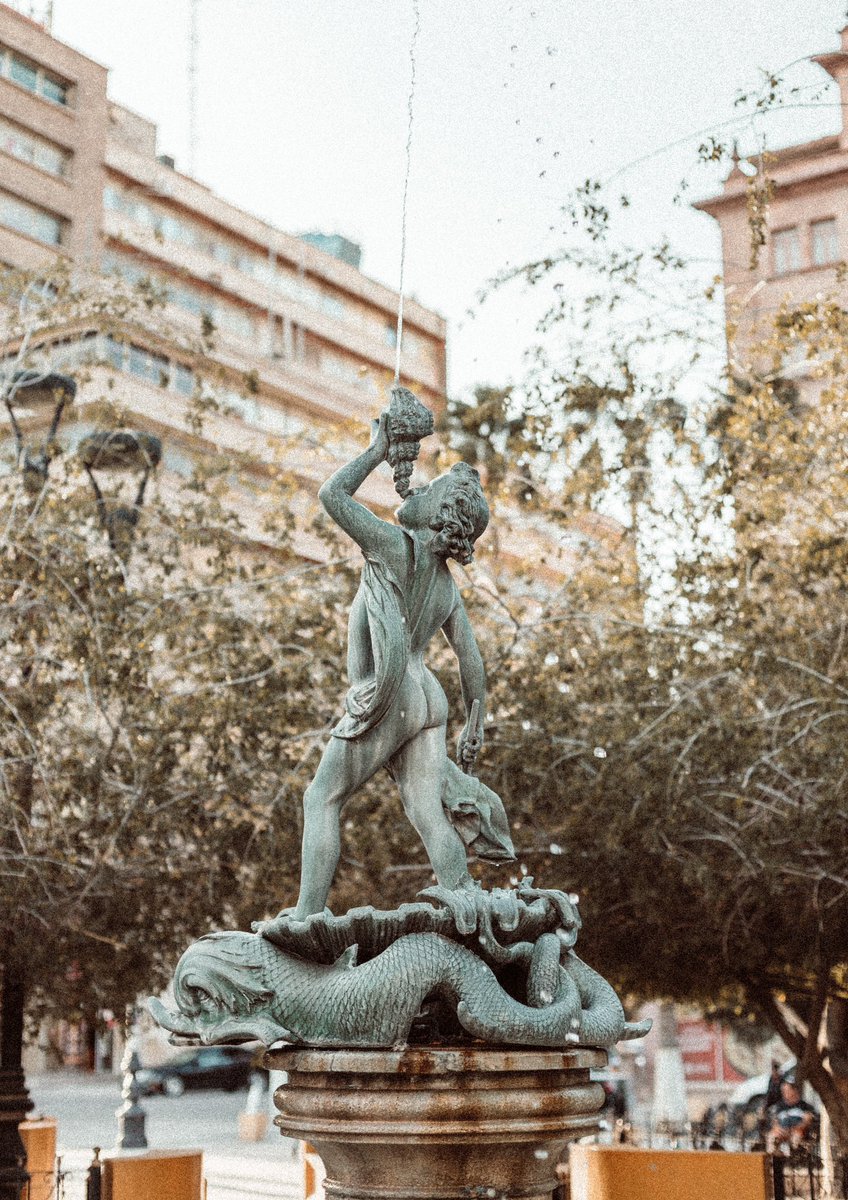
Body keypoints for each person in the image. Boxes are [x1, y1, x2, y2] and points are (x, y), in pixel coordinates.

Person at [291, 413, 491, 920]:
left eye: (431, 488)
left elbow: (333, 497)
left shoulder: (391, 545)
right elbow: (470, 658)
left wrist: (378, 449)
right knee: (427, 813)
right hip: (429, 696)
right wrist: (475, 719)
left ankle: (306, 915)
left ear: (440, 512)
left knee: (323, 798)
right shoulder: (447, 587)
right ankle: (465, 899)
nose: (417, 488)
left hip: (390, 690)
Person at [768, 1078, 815, 1149]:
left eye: (787, 1091)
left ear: (794, 1091)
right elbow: (774, 1121)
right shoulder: (779, 1107)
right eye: (783, 1091)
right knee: (772, 1136)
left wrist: (796, 1128)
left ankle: (795, 1157)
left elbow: (807, 1121)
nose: (784, 1093)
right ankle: (773, 1158)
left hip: (797, 1131)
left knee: (797, 1136)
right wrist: (778, 1128)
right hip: (782, 1132)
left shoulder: (804, 1106)